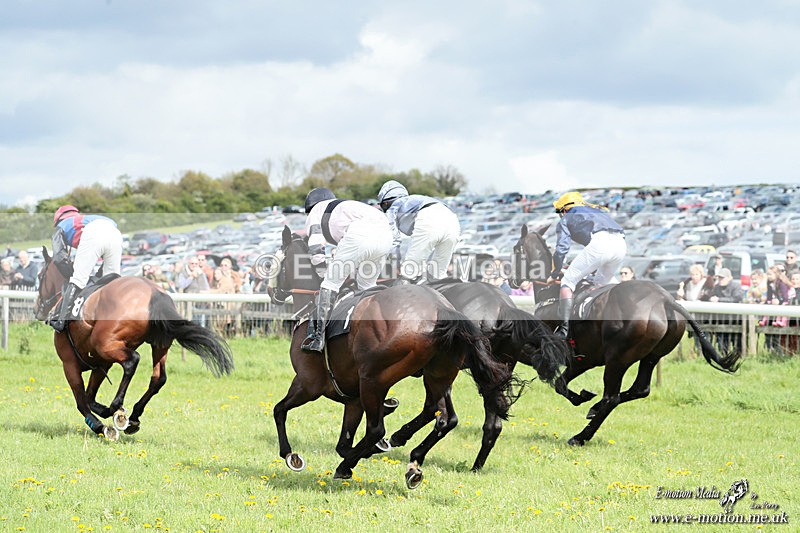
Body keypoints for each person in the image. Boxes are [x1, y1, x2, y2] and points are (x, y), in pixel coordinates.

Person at [302, 187, 392, 353]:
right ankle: (381, 331)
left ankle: (318, 339)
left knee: (330, 284)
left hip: (361, 233)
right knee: (367, 286)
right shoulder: (345, 207)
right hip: (386, 235)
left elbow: (315, 247)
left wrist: (324, 274)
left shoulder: (316, 211)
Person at [550, 191, 627, 338]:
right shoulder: (597, 211)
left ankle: (564, 328)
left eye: (560, 211)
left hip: (601, 245)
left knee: (567, 282)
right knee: (602, 282)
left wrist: (555, 271)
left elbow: (562, 249)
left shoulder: (566, 218)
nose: (560, 214)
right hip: (621, 245)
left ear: (565, 208)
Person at [49, 205, 123, 332]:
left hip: (94, 232)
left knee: (78, 279)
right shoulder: (86, 219)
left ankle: (61, 321)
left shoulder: (61, 226)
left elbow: (59, 258)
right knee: (112, 281)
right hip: (115, 232)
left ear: (58, 220)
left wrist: (71, 274)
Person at [376, 180, 461, 283]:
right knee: (438, 275)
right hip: (452, 221)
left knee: (409, 273)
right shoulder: (416, 199)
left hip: (430, 220)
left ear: (385, 203)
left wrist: (396, 265)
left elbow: (394, 240)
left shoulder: (392, 208)